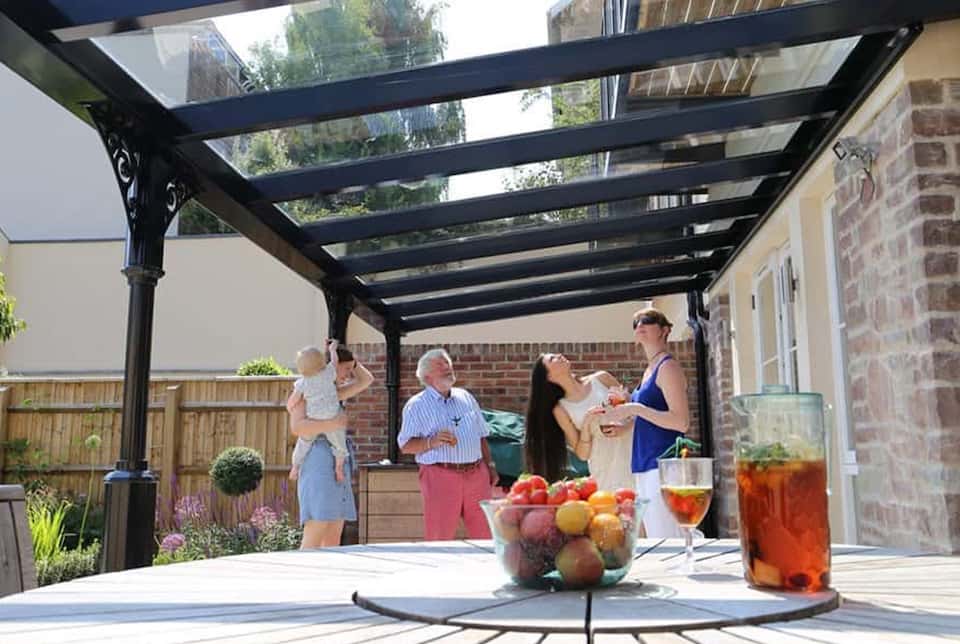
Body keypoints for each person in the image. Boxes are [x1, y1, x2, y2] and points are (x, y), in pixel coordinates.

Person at [589, 307, 689, 538]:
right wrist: (625, 426)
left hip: (664, 464)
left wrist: (634, 408)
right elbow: (652, 416)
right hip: (645, 464)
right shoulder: (650, 370)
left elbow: (681, 422)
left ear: (665, 330)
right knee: (657, 536)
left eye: (648, 320)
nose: (640, 325)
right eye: (636, 323)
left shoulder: (668, 367)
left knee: (666, 540)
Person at [397, 348, 497, 541]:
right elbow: (405, 445)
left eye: (447, 363)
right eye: (439, 365)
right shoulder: (416, 405)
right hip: (440, 475)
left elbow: (481, 435)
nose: (446, 367)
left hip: (476, 473)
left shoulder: (466, 397)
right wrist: (431, 441)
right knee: (439, 536)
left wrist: (490, 466)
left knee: (486, 534)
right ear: (426, 377)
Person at [288, 348, 374, 549]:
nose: (348, 375)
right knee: (318, 522)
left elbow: (366, 380)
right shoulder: (306, 391)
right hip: (316, 457)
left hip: (338, 458)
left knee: (335, 526)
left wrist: (352, 361)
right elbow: (297, 427)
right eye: (345, 369)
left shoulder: (334, 392)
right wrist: (334, 424)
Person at [524, 354, 634, 492]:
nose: (559, 355)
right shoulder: (561, 408)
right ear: (549, 377)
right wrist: (587, 424)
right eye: (552, 359)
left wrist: (626, 424)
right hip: (605, 466)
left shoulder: (601, 378)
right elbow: (582, 454)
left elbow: (635, 411)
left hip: (633, 451)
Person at [288, 340, 349, 483]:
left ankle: (295, 466)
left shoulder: (303, 382)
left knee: (304, 442)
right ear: (322, 361)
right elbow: (334, 361)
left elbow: (293, 400)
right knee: (339, 444)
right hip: (332, 414)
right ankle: (339, 468)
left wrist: (290, 408)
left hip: (313, 417)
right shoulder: (328, 372)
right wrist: (332, 349)